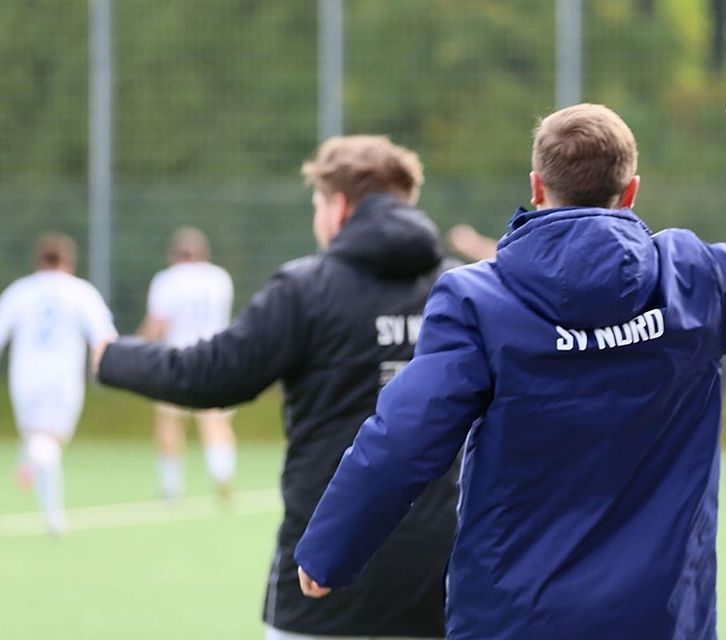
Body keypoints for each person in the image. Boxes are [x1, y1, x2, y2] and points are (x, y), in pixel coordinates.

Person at [293, 84, 726, 639]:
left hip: (515, 616)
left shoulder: (478, 299)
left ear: (537, 187)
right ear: (629, 192)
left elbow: (404, 437)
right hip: (659, 617)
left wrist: (329, 549)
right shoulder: (692, 279)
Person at [95, 135, 457, 640]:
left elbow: (210, 374)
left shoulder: (307, 289)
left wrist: (111, 356)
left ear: (338, 206)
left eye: (316, 204)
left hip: (324, 576)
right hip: (442, 581)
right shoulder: (463, 289)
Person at [0, 233, 117, 535]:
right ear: (69, 262)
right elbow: (103, 337)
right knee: (52, 441)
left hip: (25, 378)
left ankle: (49, 508)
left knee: (38, 436)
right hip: (63, 379)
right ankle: (36, 468)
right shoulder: (81, 292)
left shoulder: (20, 291)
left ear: (39, 260)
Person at [139, 226, 236, 499]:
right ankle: (222, 474)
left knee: (170, 421)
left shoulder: (168, 280)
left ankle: (171, 484)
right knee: (214, 419)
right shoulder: (219, 278)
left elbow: (157, 324)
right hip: (214, 356)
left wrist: (135, 348)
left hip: (177, 358)